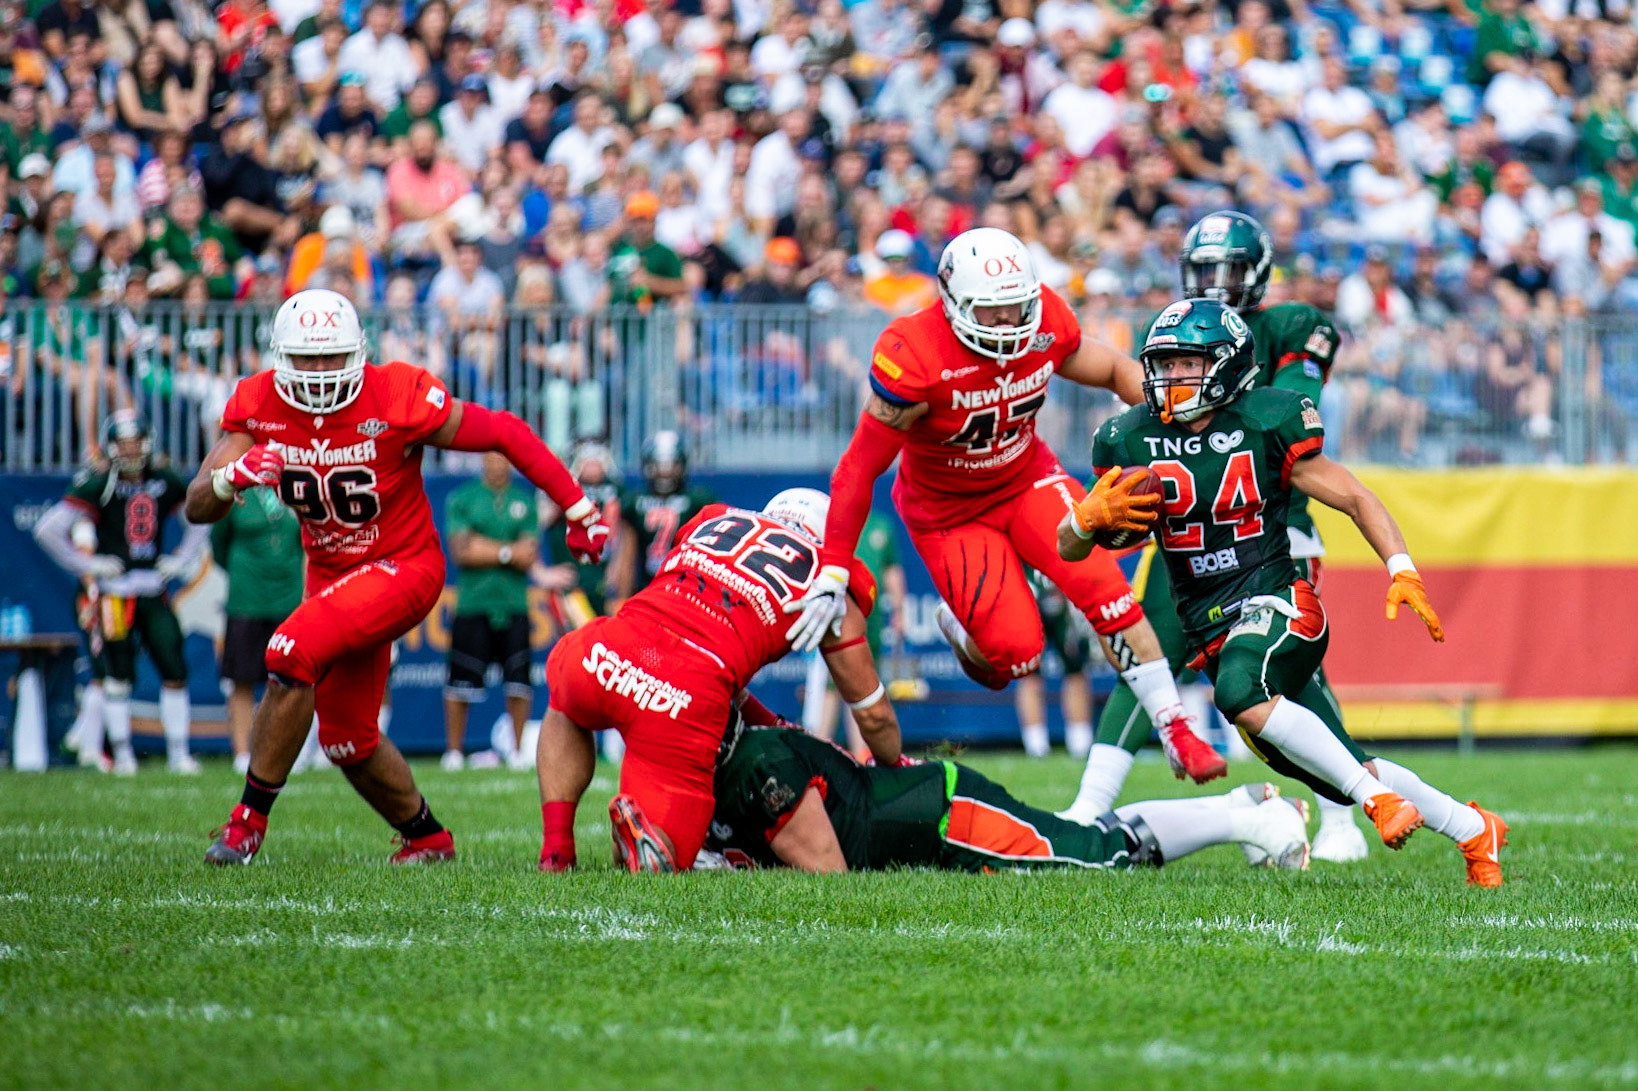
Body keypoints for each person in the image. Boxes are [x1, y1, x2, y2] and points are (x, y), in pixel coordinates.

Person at [1063, 298, 1508, 887]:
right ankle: (1475, 829)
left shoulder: (1267, 420)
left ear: (1225, 365)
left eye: (1185, 364)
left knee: (1238, 690)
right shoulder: (1130, 437)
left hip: (1279, 603)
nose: (1169, 378)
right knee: (1341, 765)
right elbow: (1071, 547)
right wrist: (1083, 521)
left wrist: (1401, 568)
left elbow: (1354, 496)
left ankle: (1373, 804)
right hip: (1211, 625)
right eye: (1163, 364)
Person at [787, 227, 1226, 788]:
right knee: (1013, 657)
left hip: (1026, 479)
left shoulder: (1044, 321)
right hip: (949, 515)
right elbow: (859, 467)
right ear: (953, 302)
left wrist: (1183, 419)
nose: (1009, 323)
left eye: (1018, 306)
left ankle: (1175, 724)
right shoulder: (914, 354)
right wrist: (833, 566)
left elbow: (1117, 370)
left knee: (1105, 589)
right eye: (992, 312)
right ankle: (963, 629)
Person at [188, 288, 610, 867]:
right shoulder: (257, 403)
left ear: (358, 354)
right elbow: (196, 505)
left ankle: (245, 824)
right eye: (306, 359)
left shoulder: (395, 394)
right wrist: (229, 478)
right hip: (332, 576)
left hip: (403, 567)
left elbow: (504, 432)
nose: (317, 373)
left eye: (330, 358)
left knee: (287, 651)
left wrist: (577, 507)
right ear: (280, 357)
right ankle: (427, 836)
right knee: (347, 740)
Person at [1060, 210, 1365, 864]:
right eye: (1202, 269)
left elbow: (1283, 421)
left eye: (1227, 269)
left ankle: (1345, 811)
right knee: (1147, 655)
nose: (1214, 282)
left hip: (1269, 519)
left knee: (1295, 676)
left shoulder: (1289, 326)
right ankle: (1090, 801)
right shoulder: (1169, 330)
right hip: (1186, 529)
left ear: (1257, 272)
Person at [537, 489, 902, 874]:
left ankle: (556, 849)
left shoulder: (714, 519)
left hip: (611, 644)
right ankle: (651, 837)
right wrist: (895, 763)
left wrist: (768, 719)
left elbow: (698, 623)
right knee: (667, 853)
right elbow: (873, 714)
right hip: (683, 690)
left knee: (567, 697)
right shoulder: (828, 578)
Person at [705, 723, 1311, 873]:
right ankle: (1236, 808)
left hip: (944, 817)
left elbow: (827, 874)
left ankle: (1249, 820)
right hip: (929, 810)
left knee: (1100, 858)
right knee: (1085, 841)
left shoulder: (756, 765)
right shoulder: (754, 750)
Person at [32, 410, 210, 775]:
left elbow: (201, 518)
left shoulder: (165, 478)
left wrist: (182, 560)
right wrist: (89, 565)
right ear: (111, 446)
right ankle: (124, 755)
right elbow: (48, 529)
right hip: (114, 593)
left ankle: (178, 753)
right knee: (117, 674)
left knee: (174, 667)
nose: (130, 450)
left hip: (152, 588)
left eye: (135, 441)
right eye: (123, 443)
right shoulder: (100, 482)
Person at [442, 451, 540, 772]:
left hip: (513, 603)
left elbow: (529, 554)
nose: (497, 463)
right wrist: (507, 550)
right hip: (473, 602)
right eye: (492, 457)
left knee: (519, 682)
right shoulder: (463, 497)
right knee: (460, 682)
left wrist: (484, 547)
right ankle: (454, 752)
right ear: (483, 459)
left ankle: (516, 749)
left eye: (503, 457)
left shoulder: (524, 500)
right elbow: (461, 551)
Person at [209, 475, 304, 776]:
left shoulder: (298, 486)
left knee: (293, 682)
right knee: (242, 679)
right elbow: (218, 544)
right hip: (246, 600)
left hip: (290, 599)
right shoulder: (239, 491)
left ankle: (288, 752)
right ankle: (241, 752)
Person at [611, 430, 716, 600]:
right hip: (649, 589)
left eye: (671, 465)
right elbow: (627, 557)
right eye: (658, 465)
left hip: (686, 590)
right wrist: (621, 598)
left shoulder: (697, 501)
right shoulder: (636, 502)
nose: (664, 472)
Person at [1012, 569, 1094, 759]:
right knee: (1029, 671)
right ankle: (1036, 745)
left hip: (1058, 583)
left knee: (1075, 668)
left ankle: (1079, 743)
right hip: (1030, 585)